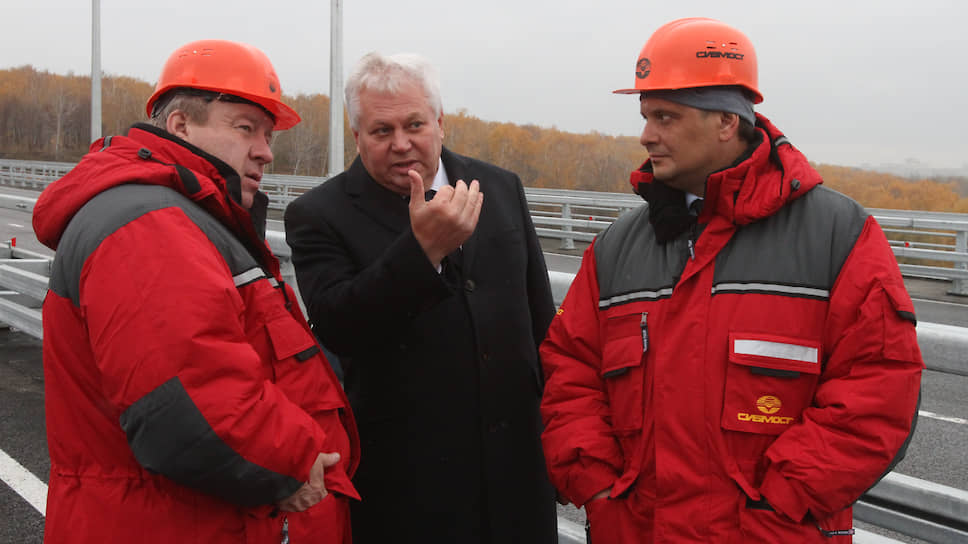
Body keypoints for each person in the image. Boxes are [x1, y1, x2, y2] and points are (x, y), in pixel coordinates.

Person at [539, 18, 924, 543]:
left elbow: (878, 393)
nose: (646, 135)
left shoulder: (837, 235)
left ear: (726, 121)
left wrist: (782, 503)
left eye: (666, 117)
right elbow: (571, 374)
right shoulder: (618, 247)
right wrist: (600, 489)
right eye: (647, 116)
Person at [33, 39, 359, 543]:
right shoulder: (149, 223)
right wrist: (293, 464)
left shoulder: (186, 217)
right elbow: (191, 404)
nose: (265, 151)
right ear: (181, 125)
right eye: (245, 127)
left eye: (268, 135)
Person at [284, 52, 558, 543]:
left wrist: (560, 441)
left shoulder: (497, 186)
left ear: (441, 123)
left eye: (414, 124)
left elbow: (542, 324)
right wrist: (422, 252)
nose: (401, 143)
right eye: (381, 131)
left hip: (517, 473)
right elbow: (338, 325)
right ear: (356, 137)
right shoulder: (319, 214)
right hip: (408, 488)